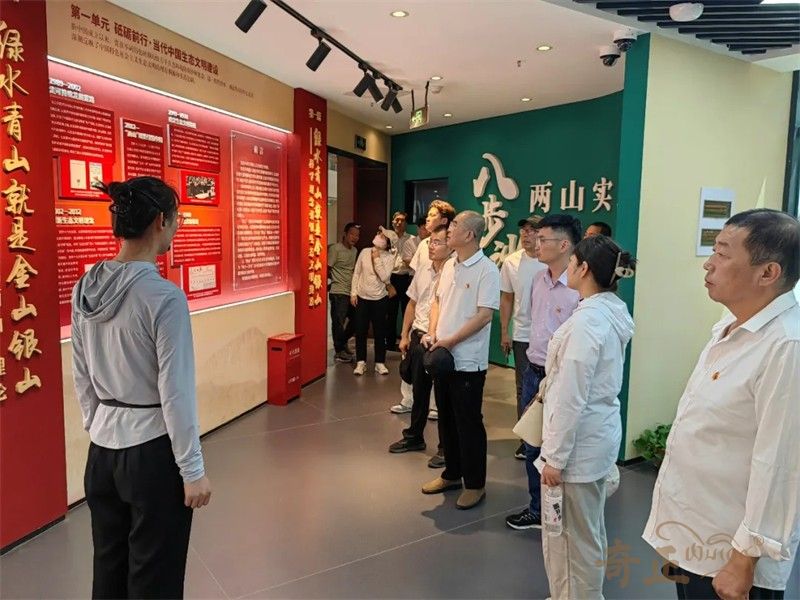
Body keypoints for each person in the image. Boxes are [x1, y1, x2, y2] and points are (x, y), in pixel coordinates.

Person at [643, 209, 800, 600]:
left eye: (723, 253)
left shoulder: (787, 346)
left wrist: (743, 559)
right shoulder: (729, 327)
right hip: (697, 532)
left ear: (768, 273)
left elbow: (781, 465)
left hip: (733, 554)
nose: (709, 263)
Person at [71, 177, 211, 599]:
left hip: (102, 452)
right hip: (151, 453)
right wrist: (192, 470)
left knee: (108, 569)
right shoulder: (163, 297)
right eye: (177, 218)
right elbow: (176, 392)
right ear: (159, 222)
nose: (177, 227)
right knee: (155, 578)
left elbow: (81, 373)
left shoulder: (85, 287)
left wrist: (96, 423)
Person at [537, 234, 636, 600]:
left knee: (568, 539)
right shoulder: (609, 312)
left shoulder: (587, 323)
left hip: (577, 448)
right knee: (587, 533)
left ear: (584, 268)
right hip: (597, 436)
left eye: (573, 261)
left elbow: (570, 396)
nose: (568, 267)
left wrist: (555, 458)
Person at [506, 213, 582, 530]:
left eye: (543, 239)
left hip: (561, 378)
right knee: (532, 445)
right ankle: (538, 509)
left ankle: (565, 513)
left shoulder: (579, 288)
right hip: (534, 371)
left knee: (561, 449)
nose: (536, 244)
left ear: (564, 245)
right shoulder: (539, 279)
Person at [421, 210, 500, 510]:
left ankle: (475, 484)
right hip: (442, 356)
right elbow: (437, 302)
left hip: (467, 361)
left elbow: (484, 316)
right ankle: (452, 474)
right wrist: (432, 333)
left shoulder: (487, 270)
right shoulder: (449, 265)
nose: (448, 229)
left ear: (469, 234)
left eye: (454, 225)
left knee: (468, 423)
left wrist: (451, 340)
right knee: (446, 418)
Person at [388, 225, 450, 455]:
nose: (431, 246)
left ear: (451, 245)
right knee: (419, 391)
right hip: (419, 334)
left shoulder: (454, 273)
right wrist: (404, 334)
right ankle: (414, 436)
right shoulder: (423, 269)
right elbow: (412, 303)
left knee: (443, 397)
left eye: (437, 242)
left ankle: (446, 447)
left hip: (442, 340)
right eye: (430, 241)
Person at [499, 215, 546, 460]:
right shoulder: (511, 262)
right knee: (523, 387)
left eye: (532, 230)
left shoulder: (549, 262)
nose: (527, 234)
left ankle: (547, 440)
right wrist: (504, 331)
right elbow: (507, 298)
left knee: (548, 388)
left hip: (549, 335)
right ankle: (526, 439)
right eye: (524, 230)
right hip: (522, 333)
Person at [351, 230, 395, 375]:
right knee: (360, 331)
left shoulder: (389, 257)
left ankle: (380, 362)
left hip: (380, 298)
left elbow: (385, 277)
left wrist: (376, 258)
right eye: (378, 233)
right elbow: (357, 272)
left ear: (388, 243)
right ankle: (360, 362)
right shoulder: (364, 252)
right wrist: (353, 293)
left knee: (380, 332)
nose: (379, 236)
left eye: (383, 236)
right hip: (362, 297)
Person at [328, 222, 360, 363]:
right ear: (345, 234)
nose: (355, 237)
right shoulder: (335, 249)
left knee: (356, 320)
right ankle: (339, 351)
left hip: (351, 291)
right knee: (338, 322)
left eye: (357, 235)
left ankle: (343, 342)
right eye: (352, 234)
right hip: (338, 291)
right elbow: (327, 268)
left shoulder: (354, 251)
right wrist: (332, 282)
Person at [382, 211, 414, 351]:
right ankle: (389, 343)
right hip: (391, 279)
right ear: (392, 222)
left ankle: (406, 341)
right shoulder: (386, 238)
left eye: (402, 220)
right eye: (396, 220)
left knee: (407, 310)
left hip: (406, 278)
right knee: (390, 312)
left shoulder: (412, 239)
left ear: (406, 223)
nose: (399, 223)